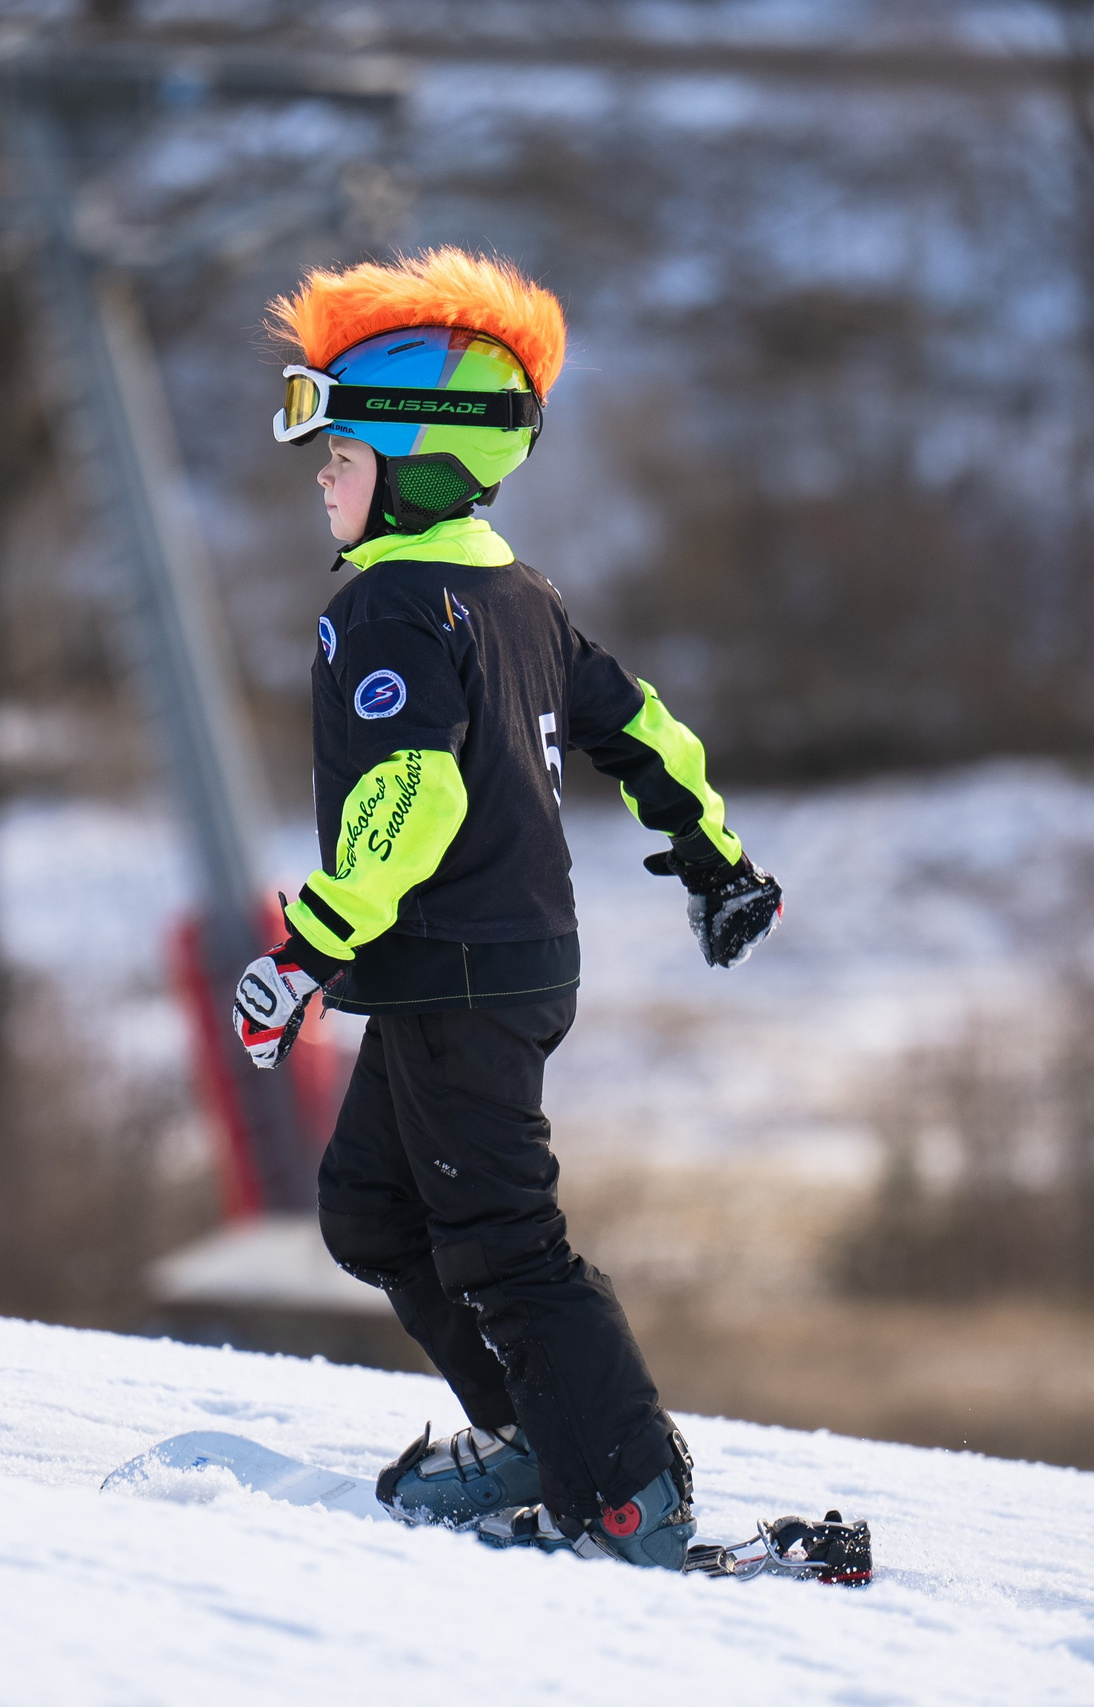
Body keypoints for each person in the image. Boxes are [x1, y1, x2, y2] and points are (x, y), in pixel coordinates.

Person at [230, 249, 782, 1569]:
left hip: (456, 970)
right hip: (480, 971)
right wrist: (715, 859)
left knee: (501, 1241)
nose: (322, 479)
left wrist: (307, 946)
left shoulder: (396, 604)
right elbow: (643, 729)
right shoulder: (514, 595)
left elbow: (407, 799)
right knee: (373, 1211)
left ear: (419, 458)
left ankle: (630, 1489)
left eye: (341, 455)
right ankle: (541, 1438)